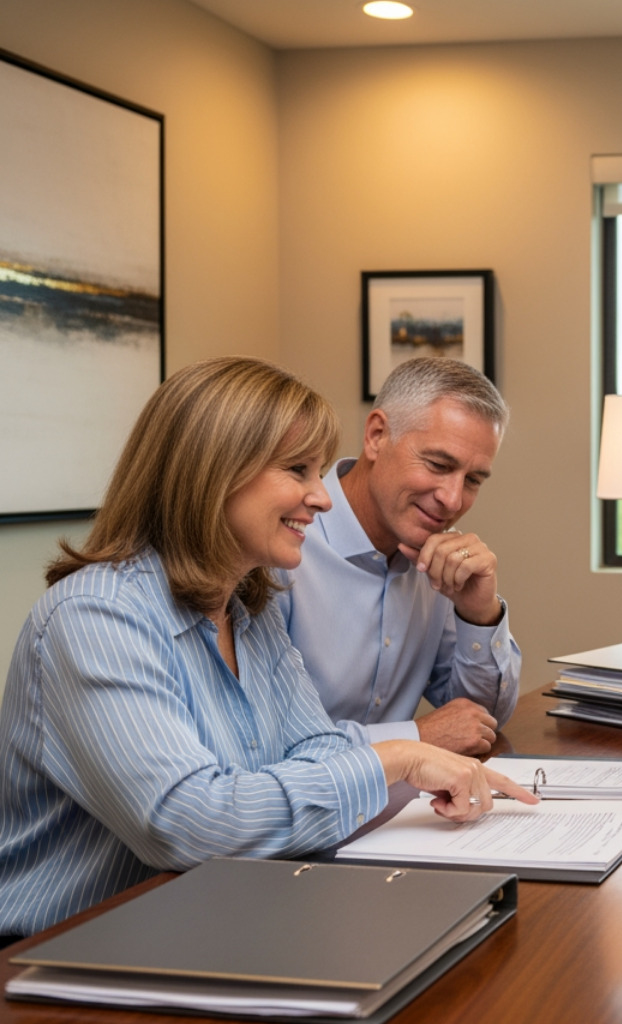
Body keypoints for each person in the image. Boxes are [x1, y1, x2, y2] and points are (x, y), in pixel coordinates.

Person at [0, 357, 534, 940]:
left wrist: (386, 761)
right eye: (298, 470)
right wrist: (402, 755)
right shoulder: (96, 617)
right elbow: (188, 823)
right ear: (213, 473)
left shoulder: (244, 607)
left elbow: (317, 749)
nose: (322, 497)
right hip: (68, 949)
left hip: (212, 915)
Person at [275, 357, 518, 755]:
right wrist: (415, 738)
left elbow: (480, 720)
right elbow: (266, 741)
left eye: (473, 480)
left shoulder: (439, 561)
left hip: (406, 808)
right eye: (438, 465)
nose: (453, 500)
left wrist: (479, 614)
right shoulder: (282, 543)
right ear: (376, 435)